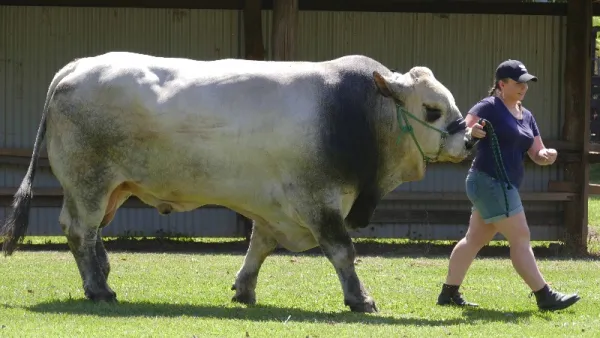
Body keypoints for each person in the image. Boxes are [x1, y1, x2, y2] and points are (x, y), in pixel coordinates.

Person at [436, 59, 581, 311]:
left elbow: (537, 152)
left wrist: (548, 155)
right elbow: (463, 131)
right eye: (518, 83)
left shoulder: (527, 116)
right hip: (490, 181)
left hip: (500, 184)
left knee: (473, 240)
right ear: (501, 84)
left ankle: (448, 294)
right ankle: (544, 295)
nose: (524, 87)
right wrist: (473, 134)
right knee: (521, 236)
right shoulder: (490, 106)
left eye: (526, 82)